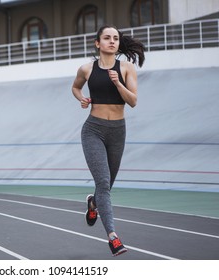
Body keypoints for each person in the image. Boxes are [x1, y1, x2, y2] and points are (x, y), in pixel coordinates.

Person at [71, 25, 145, 257]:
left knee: (107, 185)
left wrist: (118, 83)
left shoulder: (126, 68)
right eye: (107, 38)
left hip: (117, 132)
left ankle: (93, 204)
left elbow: (133, 101)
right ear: (98, 43)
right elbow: (75, 87)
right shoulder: (86, 69)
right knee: (103, 183)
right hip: (93, 130)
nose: (112, 41)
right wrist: (82, 99)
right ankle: (113, 236)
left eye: (115, 38)